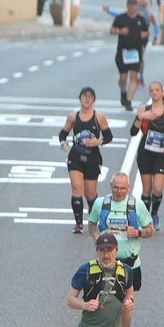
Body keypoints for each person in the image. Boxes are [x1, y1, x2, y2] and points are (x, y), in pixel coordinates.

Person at [87, 173, 154, 327]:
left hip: (129, 265)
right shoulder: (101, 203)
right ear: (110, 186)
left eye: (122, 188)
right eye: (116, 187)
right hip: (106, 264)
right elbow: (92, 225)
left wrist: (139, 232)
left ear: (128, 187)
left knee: (124, 307)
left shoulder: (136, 205)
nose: (119, 191)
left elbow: (150, 230)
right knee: (105, 305)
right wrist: (96, 237)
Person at [62, 87, 114, 233]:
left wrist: (98, 142)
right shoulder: (73, 116)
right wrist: (63, 143)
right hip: (76, 156)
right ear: (80, 98)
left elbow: (109, 136)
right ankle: (78, 224)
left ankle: (93, 216)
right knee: (76, 186)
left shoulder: (99, 117)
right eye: (84, 96)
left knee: (90, 193)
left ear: (94, 100)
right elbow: (63, 133)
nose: (87, 98)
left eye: (90, 96)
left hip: (93, 158)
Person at [133, 81, 164, 229]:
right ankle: (144, 219)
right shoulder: (144, 109)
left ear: (162, 92)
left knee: (158, 188)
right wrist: (141, 117)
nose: (154, 93)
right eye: (151, 90)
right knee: (147, 188)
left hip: (161, 152)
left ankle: (155, 213)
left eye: (157, 90)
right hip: (145, 152)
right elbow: (133, 132)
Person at [112, 0, 149, 109]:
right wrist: (120, 31)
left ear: (137, 6)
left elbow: (146, 33)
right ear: (127, 5)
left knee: (134, 76)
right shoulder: (121, 18)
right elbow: (112, 30)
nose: (132, 7)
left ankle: (129, 101)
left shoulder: (141, 20)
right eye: (130, 5)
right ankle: (123, 91)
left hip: (135, 52)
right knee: (123, 77)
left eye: (134, 5)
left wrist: (144, 36)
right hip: (123, 51)